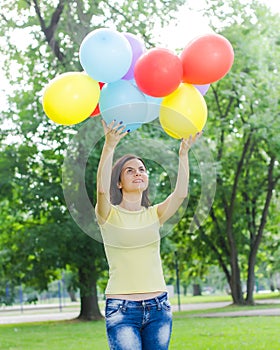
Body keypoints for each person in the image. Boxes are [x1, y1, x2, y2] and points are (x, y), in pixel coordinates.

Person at [95, 119, 202, 350]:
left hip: (158, 308)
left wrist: (183, 154)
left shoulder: (154, 214)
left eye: (142, 169)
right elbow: (102, 189)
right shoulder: (107, 215)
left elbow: (181, 194)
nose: (138, 173)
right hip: (122, 308)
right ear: (120, 183)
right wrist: (110, 145)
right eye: (130, 171)